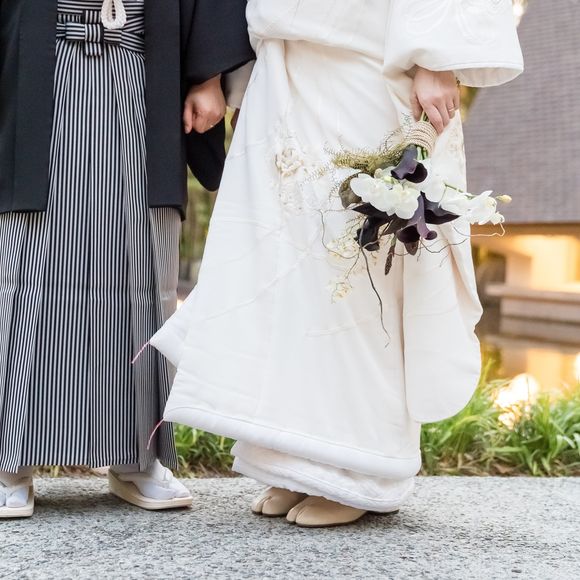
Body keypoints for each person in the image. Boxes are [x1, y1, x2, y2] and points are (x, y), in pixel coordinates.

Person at [152, 0, 524, 527]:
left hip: (366, 59)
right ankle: (294, 458)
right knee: (285, 271)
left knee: (354, 260)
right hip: (285, 66)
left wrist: (436, 58)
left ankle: (360, 468)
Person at [0, 0, 254, 518]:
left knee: (143, 262)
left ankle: (138, 456)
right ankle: (10, 459)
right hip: (34, 51)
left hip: (144, 56)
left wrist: (207, 73)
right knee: (25, 261)